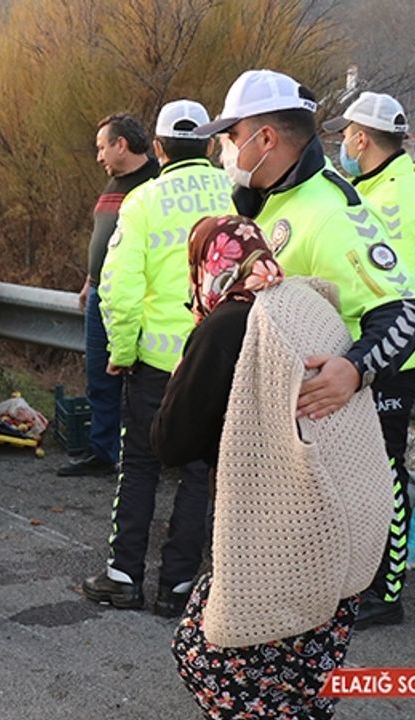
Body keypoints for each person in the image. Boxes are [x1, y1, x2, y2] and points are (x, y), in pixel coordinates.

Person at [196, 70, 415, 628]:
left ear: (265, 138)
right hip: (279, 419)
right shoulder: (265, 202)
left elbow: (403, 311)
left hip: (334, 413)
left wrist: (355, 370)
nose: (223, 150)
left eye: (230, 136)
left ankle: (374, 595)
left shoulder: (331, 210)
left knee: (355, 514)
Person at [153, 216, 391, 720]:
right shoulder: (307, 302)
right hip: (349, 521)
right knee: (307, 674)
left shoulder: (226, 325)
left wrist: (186, 364)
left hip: (276, 540)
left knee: (207, 658)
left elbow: (170, 442)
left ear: (206, 266)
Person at [82, 100, 228, 616]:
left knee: (140, 466)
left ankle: (124, 577)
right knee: (198, 472)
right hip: (213, 361)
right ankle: (179, 586)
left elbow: (118, 289)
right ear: (210, 144)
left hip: (153, 364)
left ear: (159, 148)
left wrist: (121, 352)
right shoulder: (237, 195)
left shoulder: (142, 200)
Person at [325, 91, 415, 625]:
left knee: (385, 470)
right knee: (379, 468)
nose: (342, 145)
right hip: (392, 349)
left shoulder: (384, 200)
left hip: (391, 356)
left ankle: (387, 590)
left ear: (361, 138)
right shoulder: (393, 183)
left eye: (344, 136)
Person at [60, 113, 159, 477]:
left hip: (138, 297)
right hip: (101, 293)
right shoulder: (112, 184)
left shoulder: (155, 182)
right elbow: (103, 237)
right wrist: (90, 280)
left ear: (121, 144)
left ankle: (140, 454)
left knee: (139, 380)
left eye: (103, 147)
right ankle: (102, 451)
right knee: (100, 375)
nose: (99, 156)